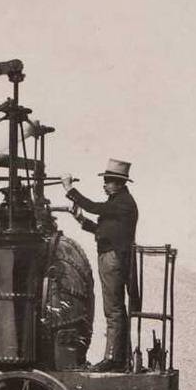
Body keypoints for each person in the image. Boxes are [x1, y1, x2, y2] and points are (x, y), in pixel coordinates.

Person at [61, 159, 139, 372]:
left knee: (112, 309)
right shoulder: (118, 203)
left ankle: (113, 359)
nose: (104, 185)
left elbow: (95, 207)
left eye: (108, 181)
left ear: (120, 183)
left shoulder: (122, 202)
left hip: (112, 258)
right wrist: (80, 220)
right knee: (115, 308)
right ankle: (117, 358)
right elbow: (103, 231)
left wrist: (69, 189)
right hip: (110, 256)